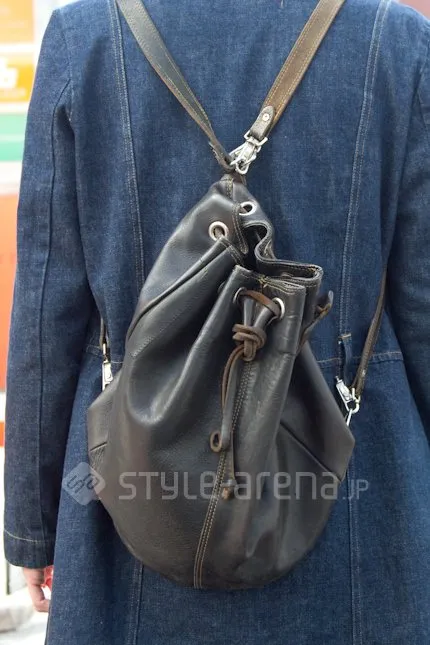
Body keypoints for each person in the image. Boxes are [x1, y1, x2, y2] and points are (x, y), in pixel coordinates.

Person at [4, 0, 430, 643]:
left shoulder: (85, 38)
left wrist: (32, 525)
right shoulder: (397, 42)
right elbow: (422, 302)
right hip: (355, 483)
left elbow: (46, 307)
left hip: (137, 483)